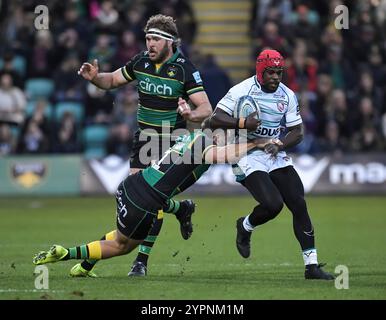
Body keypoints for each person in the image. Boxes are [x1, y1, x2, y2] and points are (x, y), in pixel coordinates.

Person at [32, 125, 274, 274]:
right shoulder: (207, 145)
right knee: (121, 246)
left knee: (120, 236)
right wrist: (257, 143)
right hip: (145, 202)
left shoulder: (194, 135)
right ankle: (66, 253)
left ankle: (84, 267)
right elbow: (222, 155)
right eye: (228, 137)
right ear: (219, 136)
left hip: (129, 187)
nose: (230, 141)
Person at [77, 14, 212, 277]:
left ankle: (141, 261)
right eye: (147, 38)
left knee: (151, 202)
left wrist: (191, 115)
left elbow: (205, 108)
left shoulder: (184, 69)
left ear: (170, 42)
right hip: (145, 139)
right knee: (141, 202)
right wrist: (95, 78)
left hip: (173, 139)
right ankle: (182, 208)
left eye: (155, 39)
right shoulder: (141, 62)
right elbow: (113, 81)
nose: (149, 44)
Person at [204, 49, 334, 280]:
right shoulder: (241, 90)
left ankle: (311, 266)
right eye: (271, 72)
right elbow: (215, 119)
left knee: (298, 202)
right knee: (273, 205)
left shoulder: (287, 95)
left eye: (279, 72)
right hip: (246, 152)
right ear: (260, 71)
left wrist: (280, 145)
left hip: (273, 151)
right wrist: (243, 122)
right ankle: (245, 226)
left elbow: (297, 132)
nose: (275, 77)